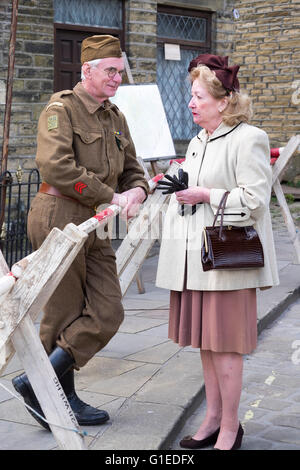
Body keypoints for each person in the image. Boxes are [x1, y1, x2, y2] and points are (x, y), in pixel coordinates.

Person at [12, 35, 148, 429]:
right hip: (59, 214)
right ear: (86, 70)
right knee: (62, 311)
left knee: (108, 310)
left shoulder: (114, 116)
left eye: (119, 72)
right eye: (110, 71)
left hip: (98, 220)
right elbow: (56, 167)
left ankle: (38, 382)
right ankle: (59, 399)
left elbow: (132, 166)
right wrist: (111, 196)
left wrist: (138, 188)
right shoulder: (61, 110)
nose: (116, 79)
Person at [156, 54, 279, 450]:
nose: (191, 103)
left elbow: (255, 201)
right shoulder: (198, 140)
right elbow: (196, 186)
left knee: (226, 349)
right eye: (190, 96)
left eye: (198, 97)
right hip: (196, 261)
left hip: (228, 263)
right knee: (207, 346)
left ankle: (231, 429)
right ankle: (211, 419)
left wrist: (207, 194)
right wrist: (174, 184)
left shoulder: (250, 138)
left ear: (223, 101)